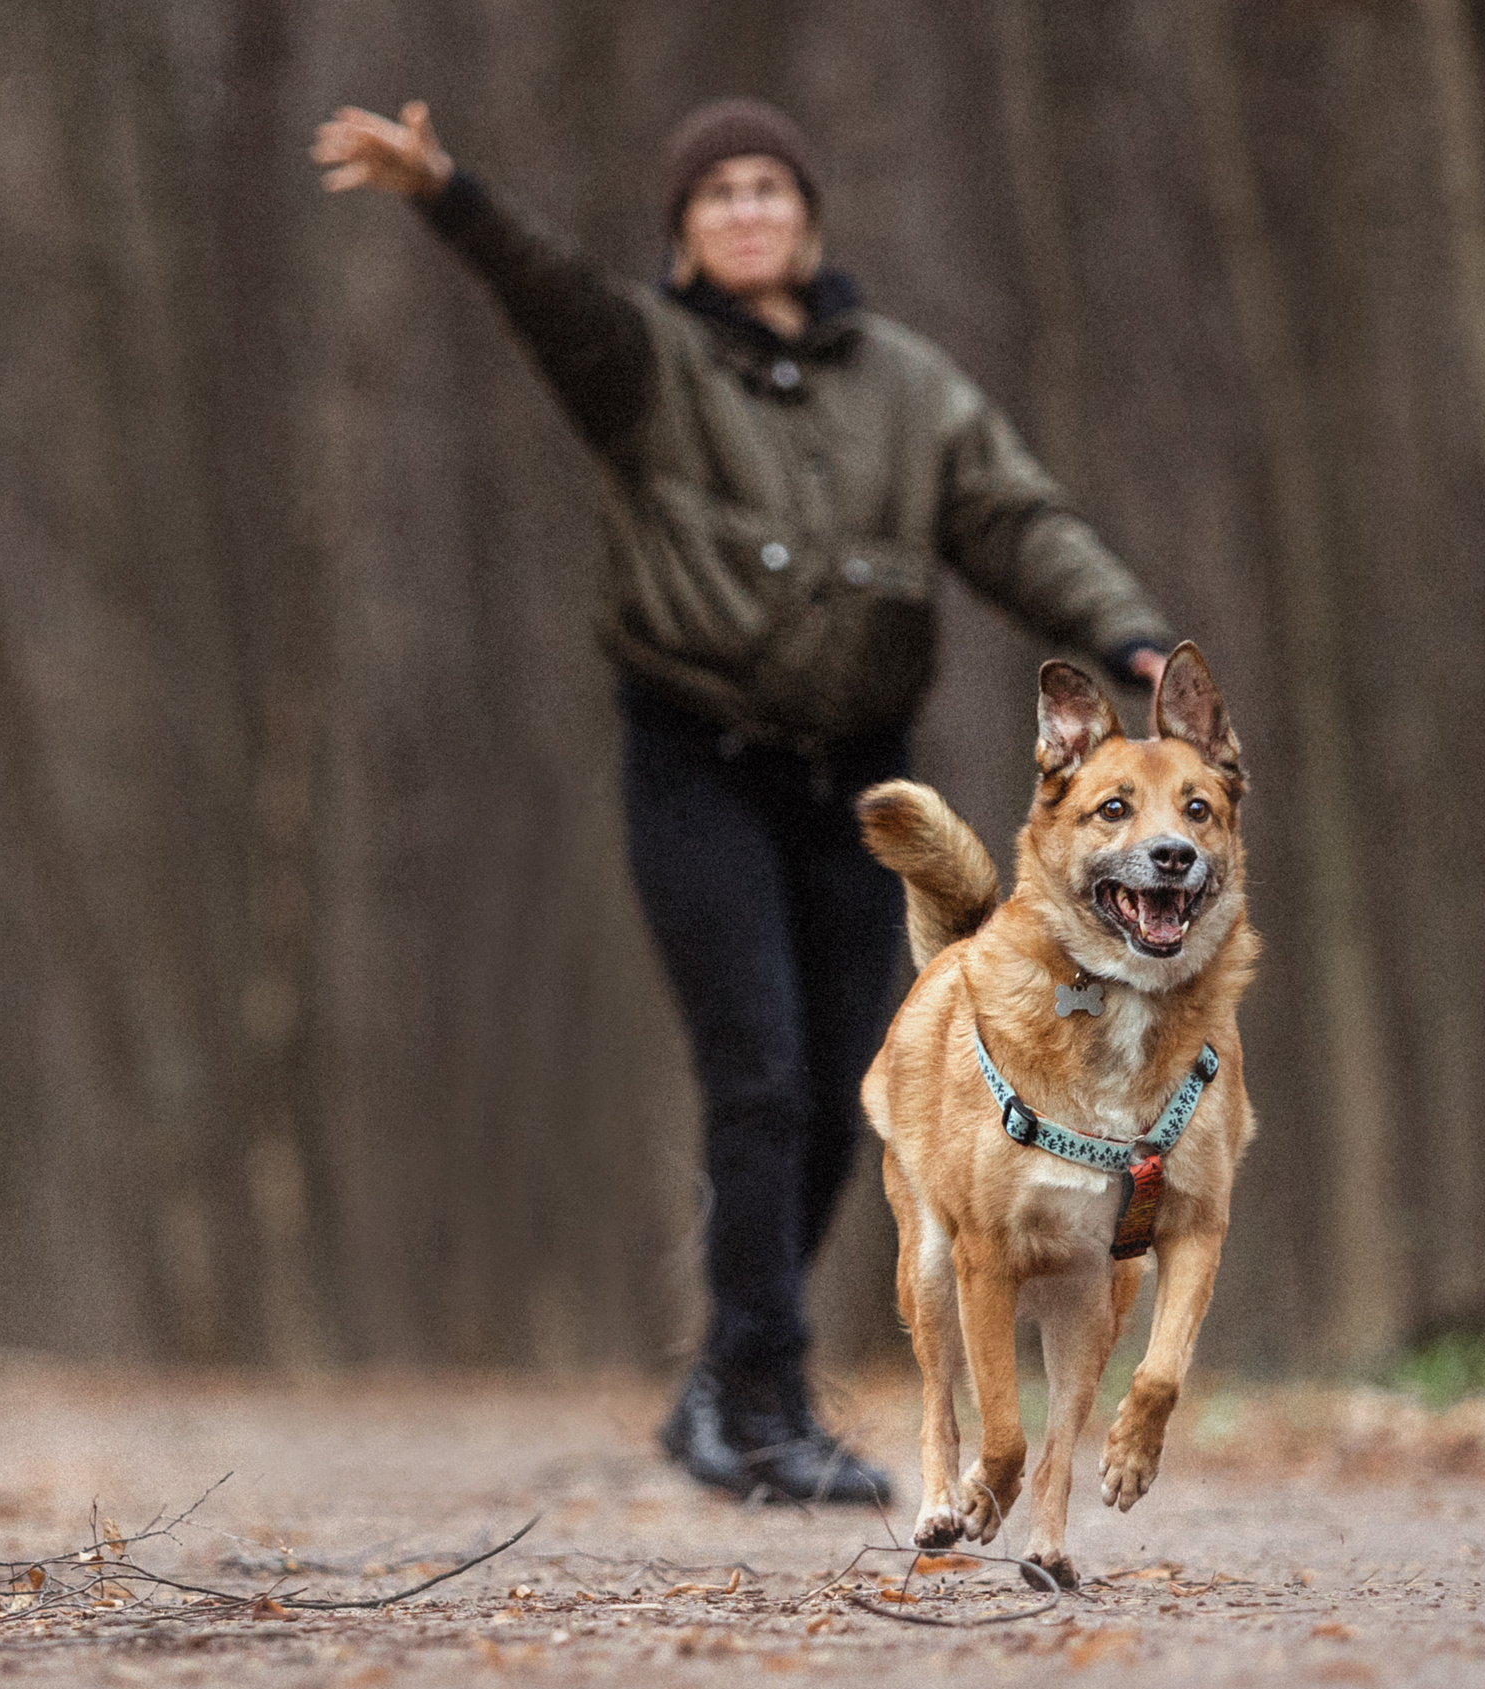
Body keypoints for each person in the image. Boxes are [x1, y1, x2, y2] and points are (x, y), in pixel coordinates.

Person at [312, 97, 1173, 1503]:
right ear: (686, 232)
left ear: (809, 215)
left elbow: (1016, 522)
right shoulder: (645, 361)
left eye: (770, 185)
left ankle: (724, 1383)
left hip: (859, 786)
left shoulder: (907, 385)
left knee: (847, 1090)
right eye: (718, 193)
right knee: (758, 1076)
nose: (748, 209)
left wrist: (1126, 633)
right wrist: (447, 193)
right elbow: (549, 298)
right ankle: (762, 1401)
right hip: (697, 764)